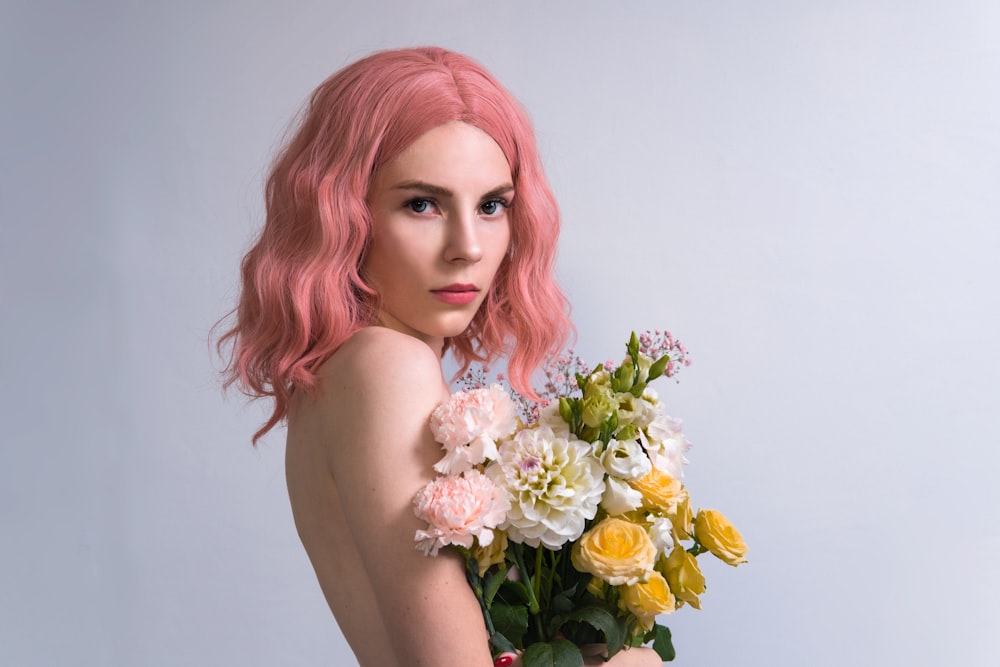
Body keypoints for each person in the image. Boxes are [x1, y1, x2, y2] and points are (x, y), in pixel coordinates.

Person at [218, 47, 662, 667]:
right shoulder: (386, 367)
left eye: (491, 205)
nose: (468, 247)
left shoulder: (346, 373)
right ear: (345, 215)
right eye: (421, 204)